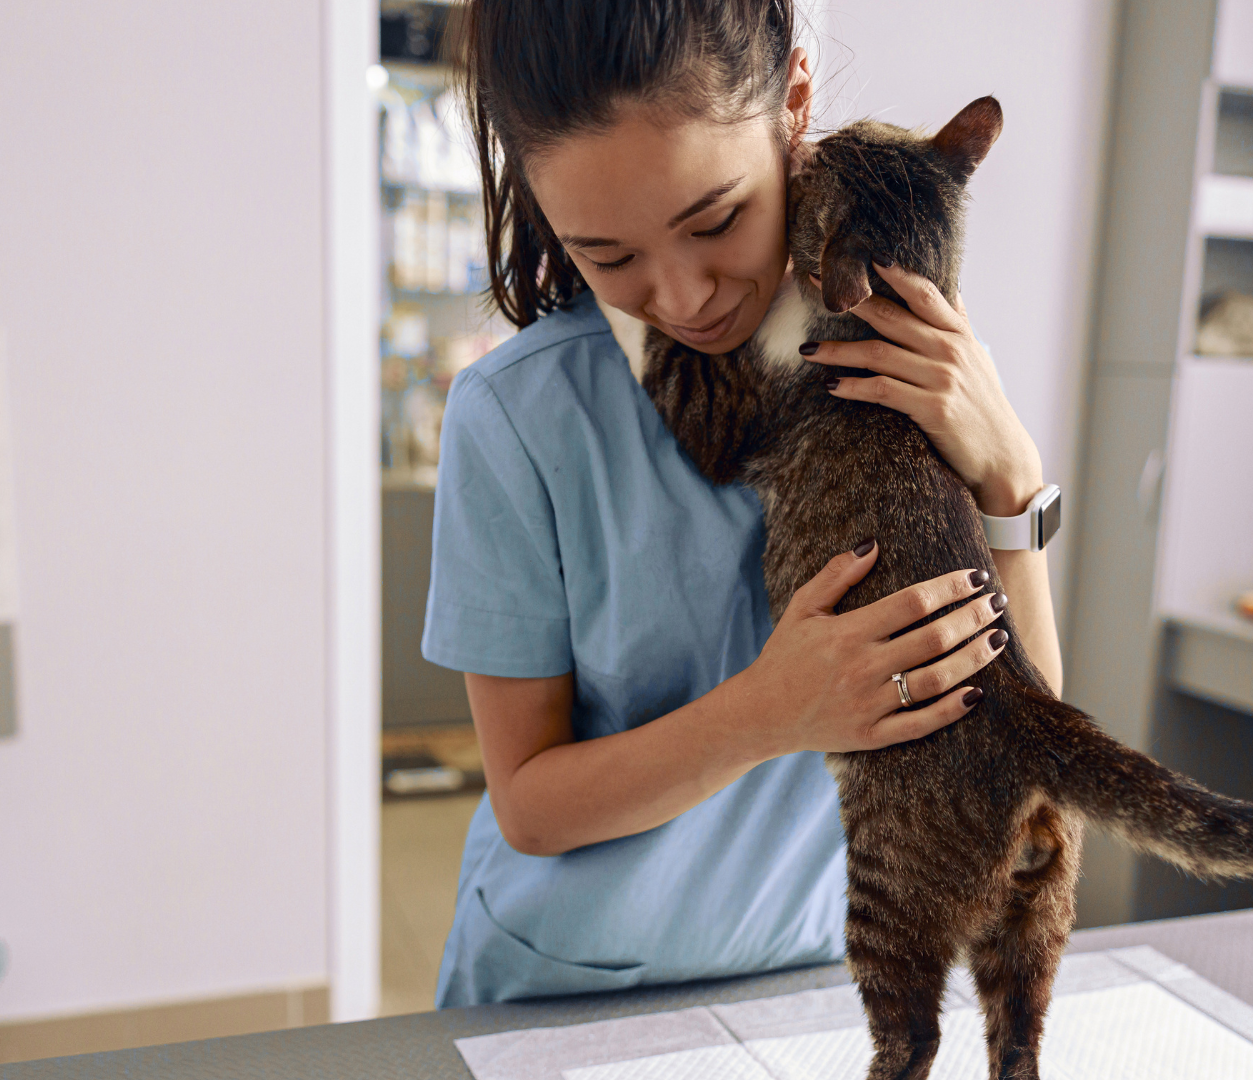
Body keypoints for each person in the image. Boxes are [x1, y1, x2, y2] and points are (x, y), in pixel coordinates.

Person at [422, 0, 1060, 1007]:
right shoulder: (519, 415)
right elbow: (530, 809)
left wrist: (1011, 479)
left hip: (813, 984)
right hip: (567, 992)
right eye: (610, 256)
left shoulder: (906, 352)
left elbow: (1016, 733)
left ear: (794, 103)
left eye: (714, 221)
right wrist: (767, 714)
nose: (683, 298)